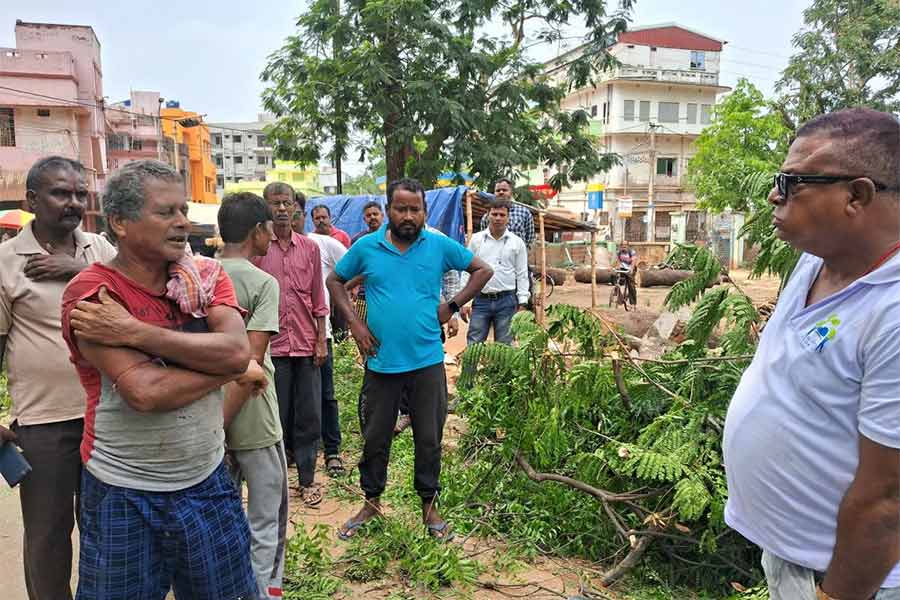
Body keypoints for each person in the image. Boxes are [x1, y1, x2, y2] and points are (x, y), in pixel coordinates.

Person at [59, 159, 264, 599]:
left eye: (183, 210)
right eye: (165, 212)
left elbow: (234, 350)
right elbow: (145, 392)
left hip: (207, 481)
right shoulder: (92, 294)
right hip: (122, 490)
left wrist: (134, 331)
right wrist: (229, 370)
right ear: (120, 222)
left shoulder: (205, 277)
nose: (182, 223)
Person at [723, 108, 900, 600]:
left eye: (794, 181)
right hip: (794, 559)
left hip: (858, 583)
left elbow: (889, 500)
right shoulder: (816, 260)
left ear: (857, 195)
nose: (774, 195)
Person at [327, 178, 492, 541]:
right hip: (381, 364)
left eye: (414, 209)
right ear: (388, 210)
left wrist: (451, 306)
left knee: (429, 437)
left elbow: (482, 271)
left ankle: (429, 507)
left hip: (427, 362)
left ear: (424, 211)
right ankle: (371, 502)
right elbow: (335, 281)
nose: (408, 215)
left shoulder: (437, 245)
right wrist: (354, 324)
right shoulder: (367, 248)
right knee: (375, 437)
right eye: (400, 208)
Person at [0, 156, 116, 600]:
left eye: (79, 194)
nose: (73, 203)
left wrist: (79, 272)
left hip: (108, 418)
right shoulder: (8, 263)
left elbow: (136, 298)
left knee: (106, 533)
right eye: (60, 193)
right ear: (31, 200)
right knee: (48, 538)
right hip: (44, 422)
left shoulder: (102, 252)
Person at [217, 192, 289, 600]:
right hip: (256, 420)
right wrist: (225, 419)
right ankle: (264, 591)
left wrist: (214, 426)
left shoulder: (202, 275)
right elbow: (251, 363)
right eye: (269, 227)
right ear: (258, 231)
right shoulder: (263, 282)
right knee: (267, 516)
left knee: (223, 514)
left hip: (208, 419)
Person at [256, 182, 329, 507]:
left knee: (309, 415)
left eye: (287, 203)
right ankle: (277, 484)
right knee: (275, 417)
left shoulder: (310, 248)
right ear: (266, 208)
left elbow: (318, 298)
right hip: (271, 349)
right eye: (276, 203)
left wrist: (321, 339)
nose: (283, 209)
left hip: (306, 345)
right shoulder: (258, 249)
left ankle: (308, 480)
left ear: (296, 208)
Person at [298, 205, 349, 476]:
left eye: (293, 209)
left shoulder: (323, 244)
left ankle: (332, 451)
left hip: (320, 333)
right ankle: (298, 452)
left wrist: (337, 298)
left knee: (326, 395)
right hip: (285, 338)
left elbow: (354, 269)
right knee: (295, 397)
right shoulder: (267, 248)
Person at [460, 200, 529, 345]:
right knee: (474, 344)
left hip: (507, 301)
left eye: (502, 215)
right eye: (495, 214)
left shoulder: (517, 243)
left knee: (504, 347)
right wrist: (464, 301)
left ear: (508, 217)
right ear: (488, 215)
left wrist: (523, 303)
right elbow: (467, 270)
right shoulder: (476, 240)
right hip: (480, 301)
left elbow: (522, 274)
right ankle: (469, 369)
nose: (498, 218)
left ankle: (501, 369)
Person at [478, 178, 535, 248]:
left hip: (516, 256)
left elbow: (529, 239)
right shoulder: (486, 216)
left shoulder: (524, 212)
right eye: (498, 190)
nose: (501, 192)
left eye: (504, 190)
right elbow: (484, 238)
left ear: (511, 192)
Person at [615, 241, 637, 305]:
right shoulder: (619, 252)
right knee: (615, 279)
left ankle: (633, 303)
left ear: (628, 246)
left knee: (631, 286)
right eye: (622, 245)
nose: (624, 246)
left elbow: (634, 261)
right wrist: (617, 267)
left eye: (625, 245)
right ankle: (620, 298)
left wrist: (631, 269)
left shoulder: (632, 252)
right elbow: (618, 261)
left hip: (630, 269)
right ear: (621, 246)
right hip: (622, 269)